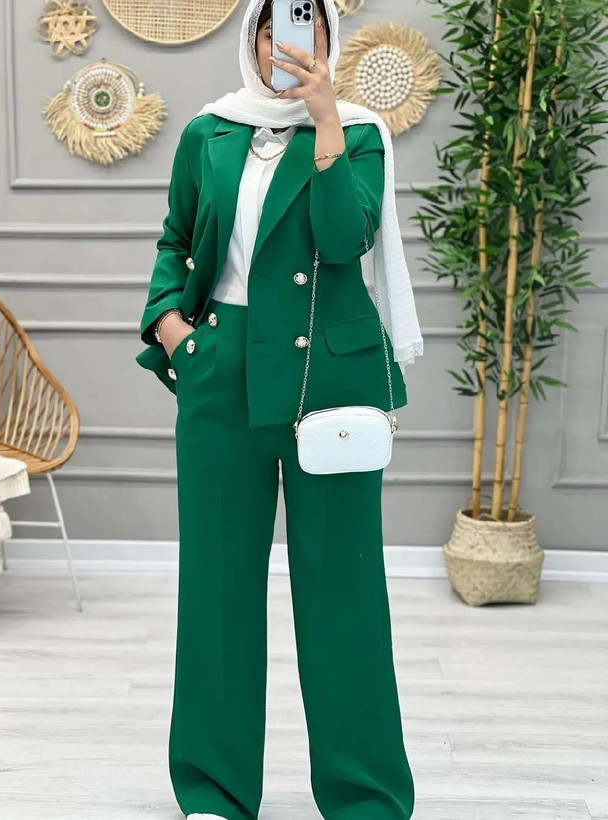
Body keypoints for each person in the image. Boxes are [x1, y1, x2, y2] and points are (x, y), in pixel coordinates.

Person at [135, 1, 422, 818]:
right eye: (275, 29)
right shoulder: (210, 132)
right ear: (253, 41)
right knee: (217, 588)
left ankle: (365, 798)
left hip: (328, 381)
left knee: (344, 589)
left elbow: (344, 239)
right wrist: (174, 330)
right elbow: (175, 240)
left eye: (308, 27)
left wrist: (326, 119)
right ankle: (213, 793)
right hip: (221, 373)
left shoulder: (358, 134)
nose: (289, 44)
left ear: (328, 39)